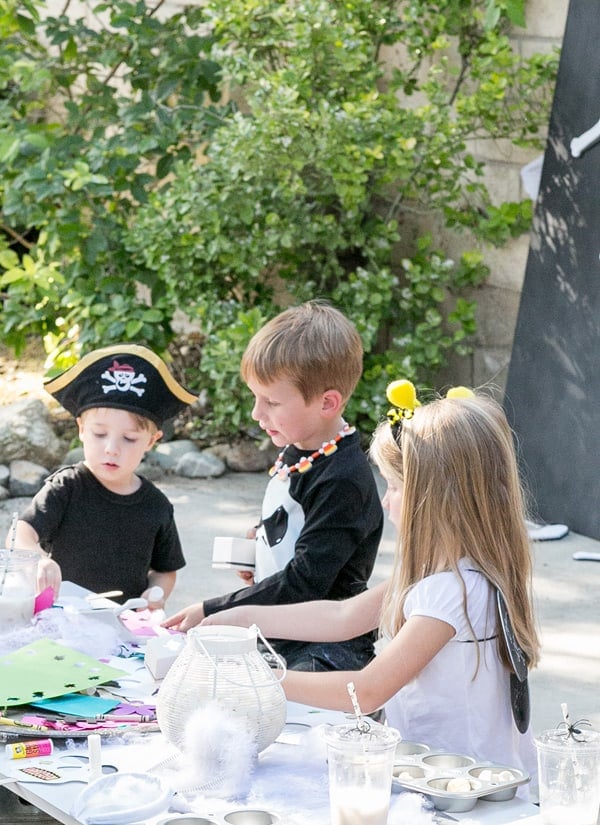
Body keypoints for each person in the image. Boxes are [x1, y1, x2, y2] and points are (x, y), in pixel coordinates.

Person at [199, 379, 541, 784]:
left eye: (394, 486)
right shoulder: (457, 574)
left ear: (433, 499)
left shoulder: (450, 592)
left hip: (461, 788)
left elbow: (368, 690)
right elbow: (343, 616)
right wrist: (240, 617)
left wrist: (258, 679)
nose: (384, 499)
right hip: (450, 775)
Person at [163, 301, 384, 671]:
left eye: (271, 402)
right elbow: (296, 521)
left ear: (327, 403)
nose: (256, 413)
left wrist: (216, 609)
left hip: (326, 649)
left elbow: (306, 581)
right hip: (281, 629)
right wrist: (262, 549)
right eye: (255, 397)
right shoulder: (300, 446)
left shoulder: (343, 480)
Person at [7, 344, 197, 609]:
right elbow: (20, 534)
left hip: (120, 625)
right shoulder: (66, 487)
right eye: (99, 434)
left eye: (129, 438)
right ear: (82, 429)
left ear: (152, 441)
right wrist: (39, 560)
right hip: (61, 618)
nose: (111, 448)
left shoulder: (156, 506)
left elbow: (165, 571)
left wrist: (155, 596)